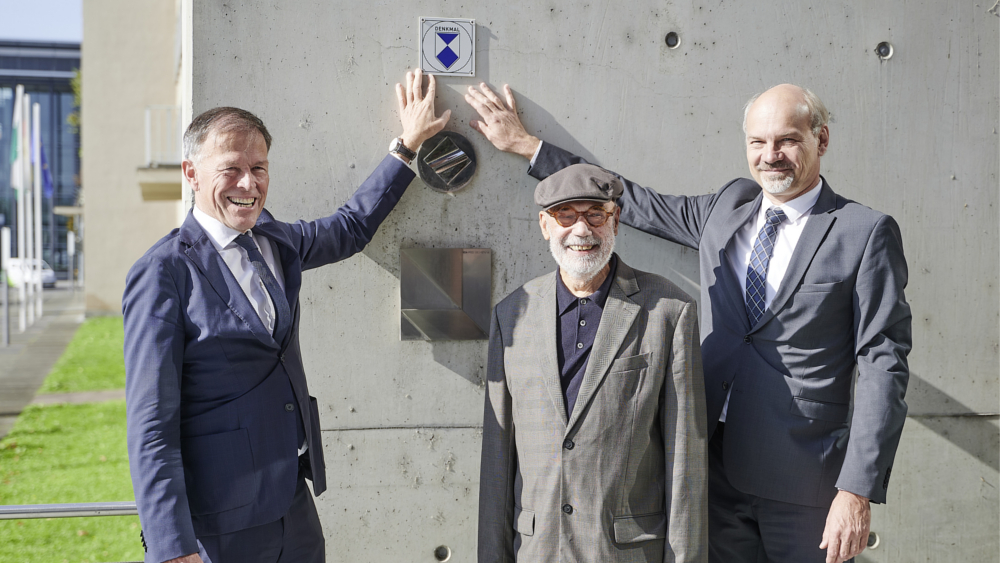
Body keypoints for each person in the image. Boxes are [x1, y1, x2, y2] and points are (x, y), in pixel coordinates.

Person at [466, 83, 910, 563]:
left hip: (803, 480)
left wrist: (856, 489)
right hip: (710, 472)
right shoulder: (728, 207)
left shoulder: (863, 231)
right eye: (757, 142)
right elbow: (632, 203)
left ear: (820, 140)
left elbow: (884, 364)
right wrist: (528, 145)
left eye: (787, 140)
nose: (770, 155)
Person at [123, 69, 450, 563]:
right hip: (221, 522)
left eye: (260, 168)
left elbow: (350, 227)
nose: (248, 184)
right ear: (191, 173)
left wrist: (406, 146)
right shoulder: (163, 271)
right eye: (231, 169)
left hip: (292, 504)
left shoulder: (275, 240)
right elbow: (151, 423)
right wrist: (172, 546)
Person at [478, 164, 707, 563]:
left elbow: (685, 462)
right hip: (536, 550)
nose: (581, 230)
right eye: (566, 215)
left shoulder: (668, 310)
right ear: (545, 225)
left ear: (614, 220)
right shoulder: (512, 313)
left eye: (594, 214)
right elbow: (497, 462)